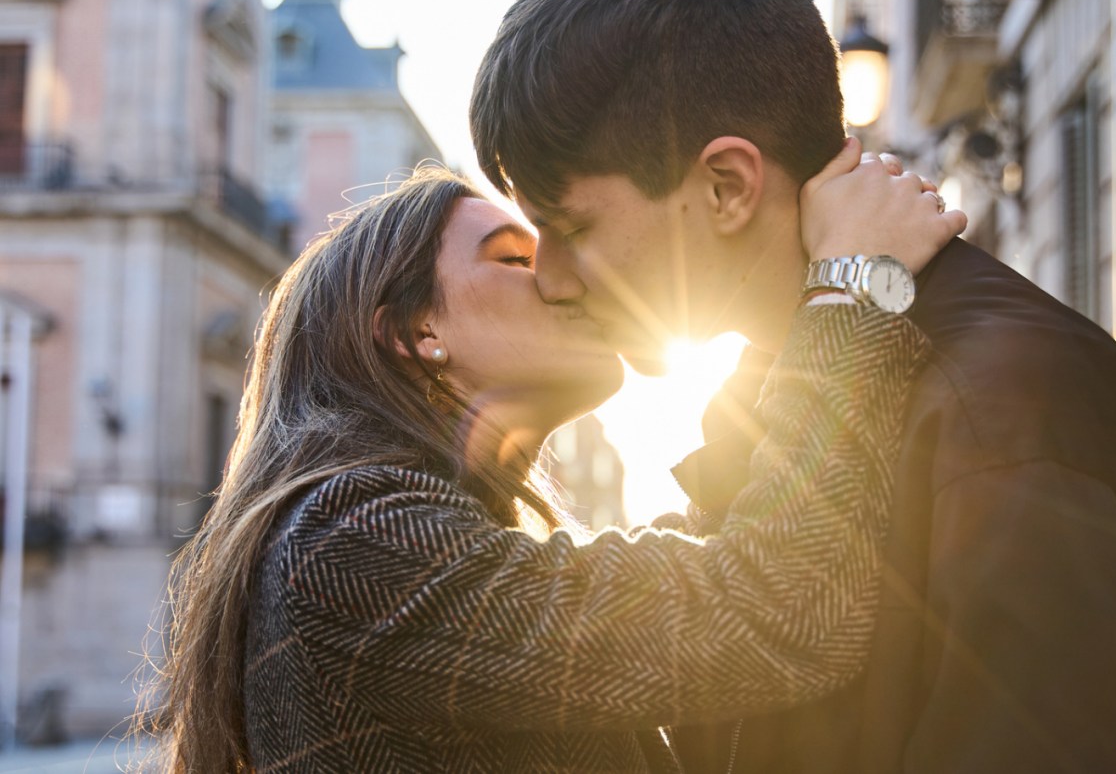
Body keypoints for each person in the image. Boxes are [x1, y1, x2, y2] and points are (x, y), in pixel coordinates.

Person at [470, 0, 1116, 773]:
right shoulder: (768, 408)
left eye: (571, 225)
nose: (549, 277)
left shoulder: (1005, 411)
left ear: (727, 186)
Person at [133, 156, 955, 772]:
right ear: (414, 331)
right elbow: (772, 608)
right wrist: (853, 283)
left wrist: (784, 332)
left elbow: (713, 566)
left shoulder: (386, 535)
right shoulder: (353, 539)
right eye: (516, 258)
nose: (565, 279)